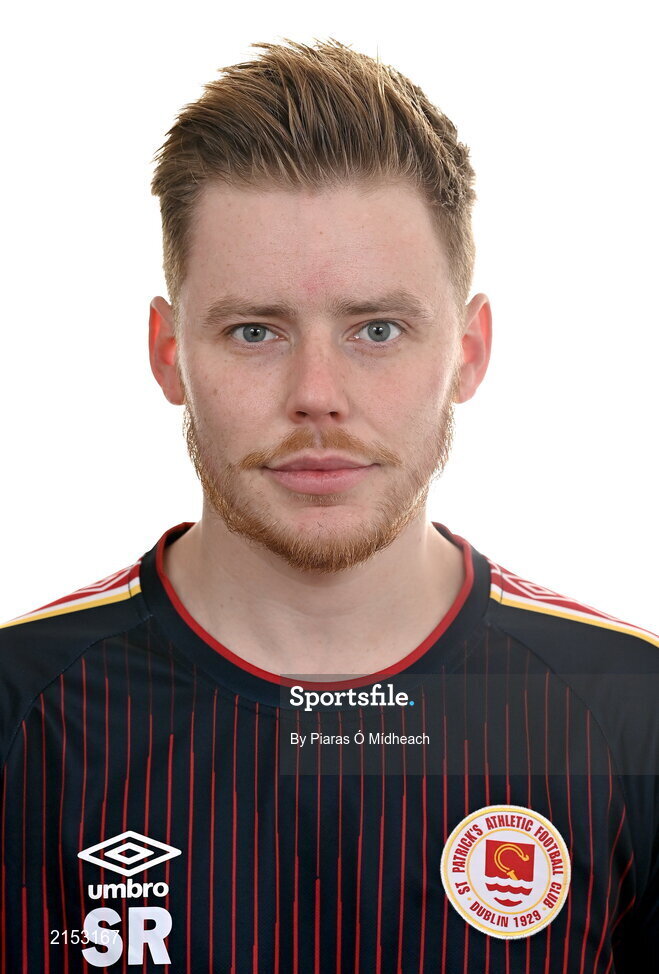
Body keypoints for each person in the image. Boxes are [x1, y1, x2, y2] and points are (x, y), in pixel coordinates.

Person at [0, 37, 657, 973]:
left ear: (467, 351)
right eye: (254, 330)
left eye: (377, 329)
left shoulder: (628, 715)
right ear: (167, 352)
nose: (317, 393)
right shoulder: (21, 711)